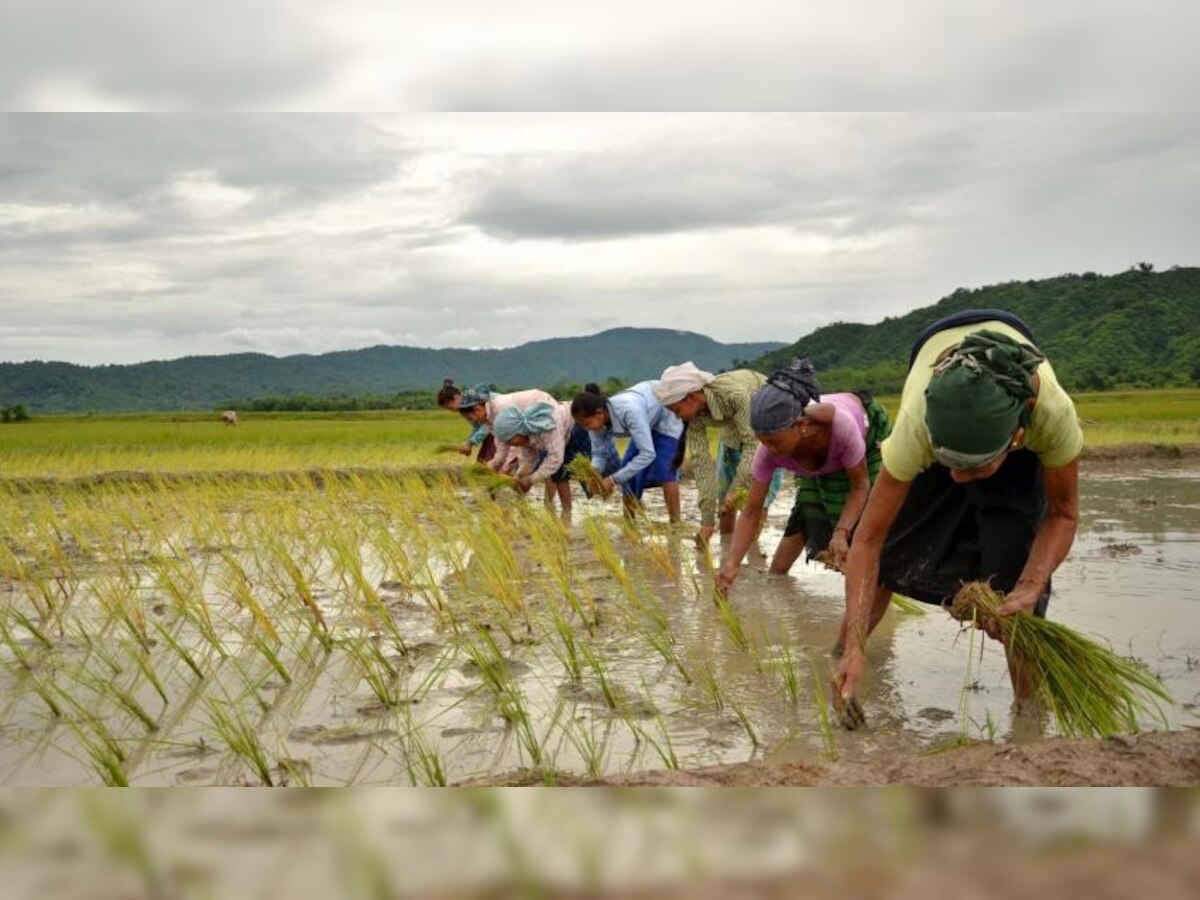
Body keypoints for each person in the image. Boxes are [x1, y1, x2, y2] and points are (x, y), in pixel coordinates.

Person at [834, 310, 1083, 707]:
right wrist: (856, 647)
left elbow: (1063, 514)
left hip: (1004, 426)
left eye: (975, 469)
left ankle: (1028, 710)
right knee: (895, 548)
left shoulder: (1051, 416)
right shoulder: (918, 425)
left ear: (1018, 436)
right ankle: (844, 653)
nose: (958, 479)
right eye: (950, 466)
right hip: (942, 413)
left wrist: (1031, 583)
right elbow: (868, 541)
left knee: (1019, 589)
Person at [715, 359, 892, 597]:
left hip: (867, 442)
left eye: (774, 441)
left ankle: (873, 600)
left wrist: (841, 532)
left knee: (867, 529)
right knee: (808, 512)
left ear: (802, 425)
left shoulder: (842, 427)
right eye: (762, 440)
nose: (768, 448)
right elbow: (751, 511)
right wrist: (731, 563)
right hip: (813, 457)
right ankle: (778, 586)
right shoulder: (768, 450)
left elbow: (860, 487)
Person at [653, 362, 784, 543]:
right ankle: (726, 547)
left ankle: (751, 554)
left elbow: (753, 444)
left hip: (767, 434)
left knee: (755, 502)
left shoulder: (733, 395)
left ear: (691, 397)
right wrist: (707, 521)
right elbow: (702, 467)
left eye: (676, 411)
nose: (676, 417)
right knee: (725, 502)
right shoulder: (695, 418)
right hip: (731, 437)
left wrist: (737, 488)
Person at [570, 381, 685, 522]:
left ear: (599, 413)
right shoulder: (596, 424)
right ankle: (629, 522)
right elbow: (599, 453)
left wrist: (612, 480)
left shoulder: (630, 411)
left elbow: (647, 454)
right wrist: (595, 474)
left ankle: (676, 524)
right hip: (646, 418)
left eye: (587, 424)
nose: (586, 429)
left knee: (665, 469)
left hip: (666, 412)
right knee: (627, 471)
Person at [492, 401, 592, 512]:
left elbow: (555, 458)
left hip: (576, 428)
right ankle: (567, 512)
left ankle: (603, 487)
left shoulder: (546, 427)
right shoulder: (524, 435)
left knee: (587, 476)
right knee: (558, 475)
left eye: (511, 440)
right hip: (562, 438)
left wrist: (531, 479)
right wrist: (519, 476)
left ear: (518, 431)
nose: (512, 445)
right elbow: (528, 459)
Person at [457, 383, 559, 475]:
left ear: (477, 409)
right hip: (527, 429)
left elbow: (514, 443)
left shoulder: (500, 410)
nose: (473, 422)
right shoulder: (488, 419)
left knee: (550, 459)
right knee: (527, 465)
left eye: (470, 418)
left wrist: (505, 467)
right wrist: (494, 464)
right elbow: (502, 443)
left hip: (543, 411)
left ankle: (548, 494)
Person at [436, 378, 495, 463]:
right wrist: (469, 442)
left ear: (456, 398)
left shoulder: (471, 402)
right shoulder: (464, 408)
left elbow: (486, 426)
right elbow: (477, 426)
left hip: (497, 425)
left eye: (450, 407)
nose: (452, 411)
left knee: (490, 460)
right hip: (493, 427)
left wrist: (470, 443)